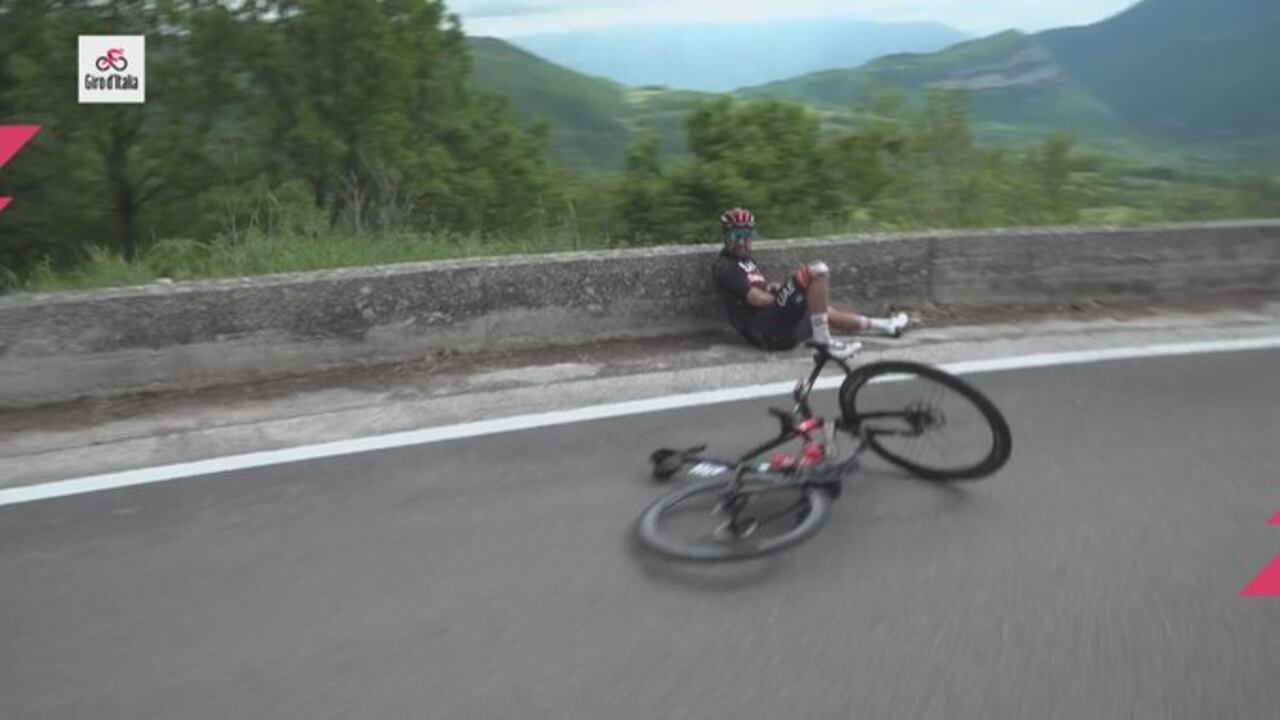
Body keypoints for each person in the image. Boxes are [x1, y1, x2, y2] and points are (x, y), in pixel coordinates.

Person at [711, 207, 910, 358]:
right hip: (765, 330)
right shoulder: (725, 266)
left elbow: (758, 290)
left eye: (746, 236)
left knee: (820, 310)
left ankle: (886, 325)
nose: (741, 242)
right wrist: (786, 296)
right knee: (816, 271)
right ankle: (825, 342)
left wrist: (782, 292)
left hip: (776, 328)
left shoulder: (747, 261)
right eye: (735, 236)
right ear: (725, 237)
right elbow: (755, 299)